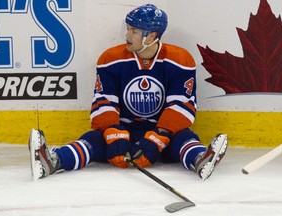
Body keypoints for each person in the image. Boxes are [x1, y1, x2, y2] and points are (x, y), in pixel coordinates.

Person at [29, 4, 228, 181]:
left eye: (134, 31)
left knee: (184, 138)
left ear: (151, 35)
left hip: (160, 134)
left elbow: (182, 104)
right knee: (93, 140)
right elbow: (104, 101)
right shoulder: (111, 58)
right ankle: (54, 161)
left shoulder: (180, 59)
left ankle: (199, 159)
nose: (127, 35)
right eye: (128, 29)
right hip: (122, 133)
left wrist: (159, 137)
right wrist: (113, 133)